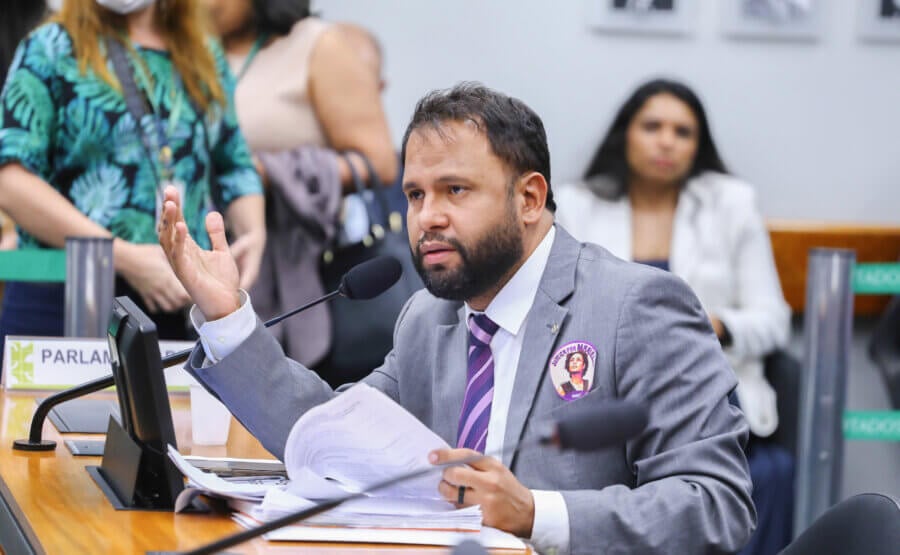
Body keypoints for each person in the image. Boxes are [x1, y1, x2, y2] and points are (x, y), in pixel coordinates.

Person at [160, 82, 755, 554]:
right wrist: (228, 317)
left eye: (455, 191)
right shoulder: (429, 317)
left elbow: (716, 506)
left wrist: (537, 515)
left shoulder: (637, 307)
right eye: (415, 195)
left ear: (528, 199)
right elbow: (328, 434)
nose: (427, 218)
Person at [555, 78, 793, 555]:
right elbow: (556, 306)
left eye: (683, 131)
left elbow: (774, 320)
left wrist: (713, 325)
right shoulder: (578, 203)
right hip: (604, 388)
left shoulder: (733, 204)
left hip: (711, 391)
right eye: (652, 126)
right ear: (626, 134)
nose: (667, 141)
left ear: (697, 144)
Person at [0, 0, 264, 344]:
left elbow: (235, 162)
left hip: (176, 302)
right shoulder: (51, 48)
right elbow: (11, 179)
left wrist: (254, 233)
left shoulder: (203, 53)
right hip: (64, 301)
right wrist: (124, 258)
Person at [202, 0, 397, 365]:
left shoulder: (318, 45)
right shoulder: (186, 48)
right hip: (190, 273)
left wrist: (271, 173)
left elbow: (379, 161)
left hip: (294, 269)